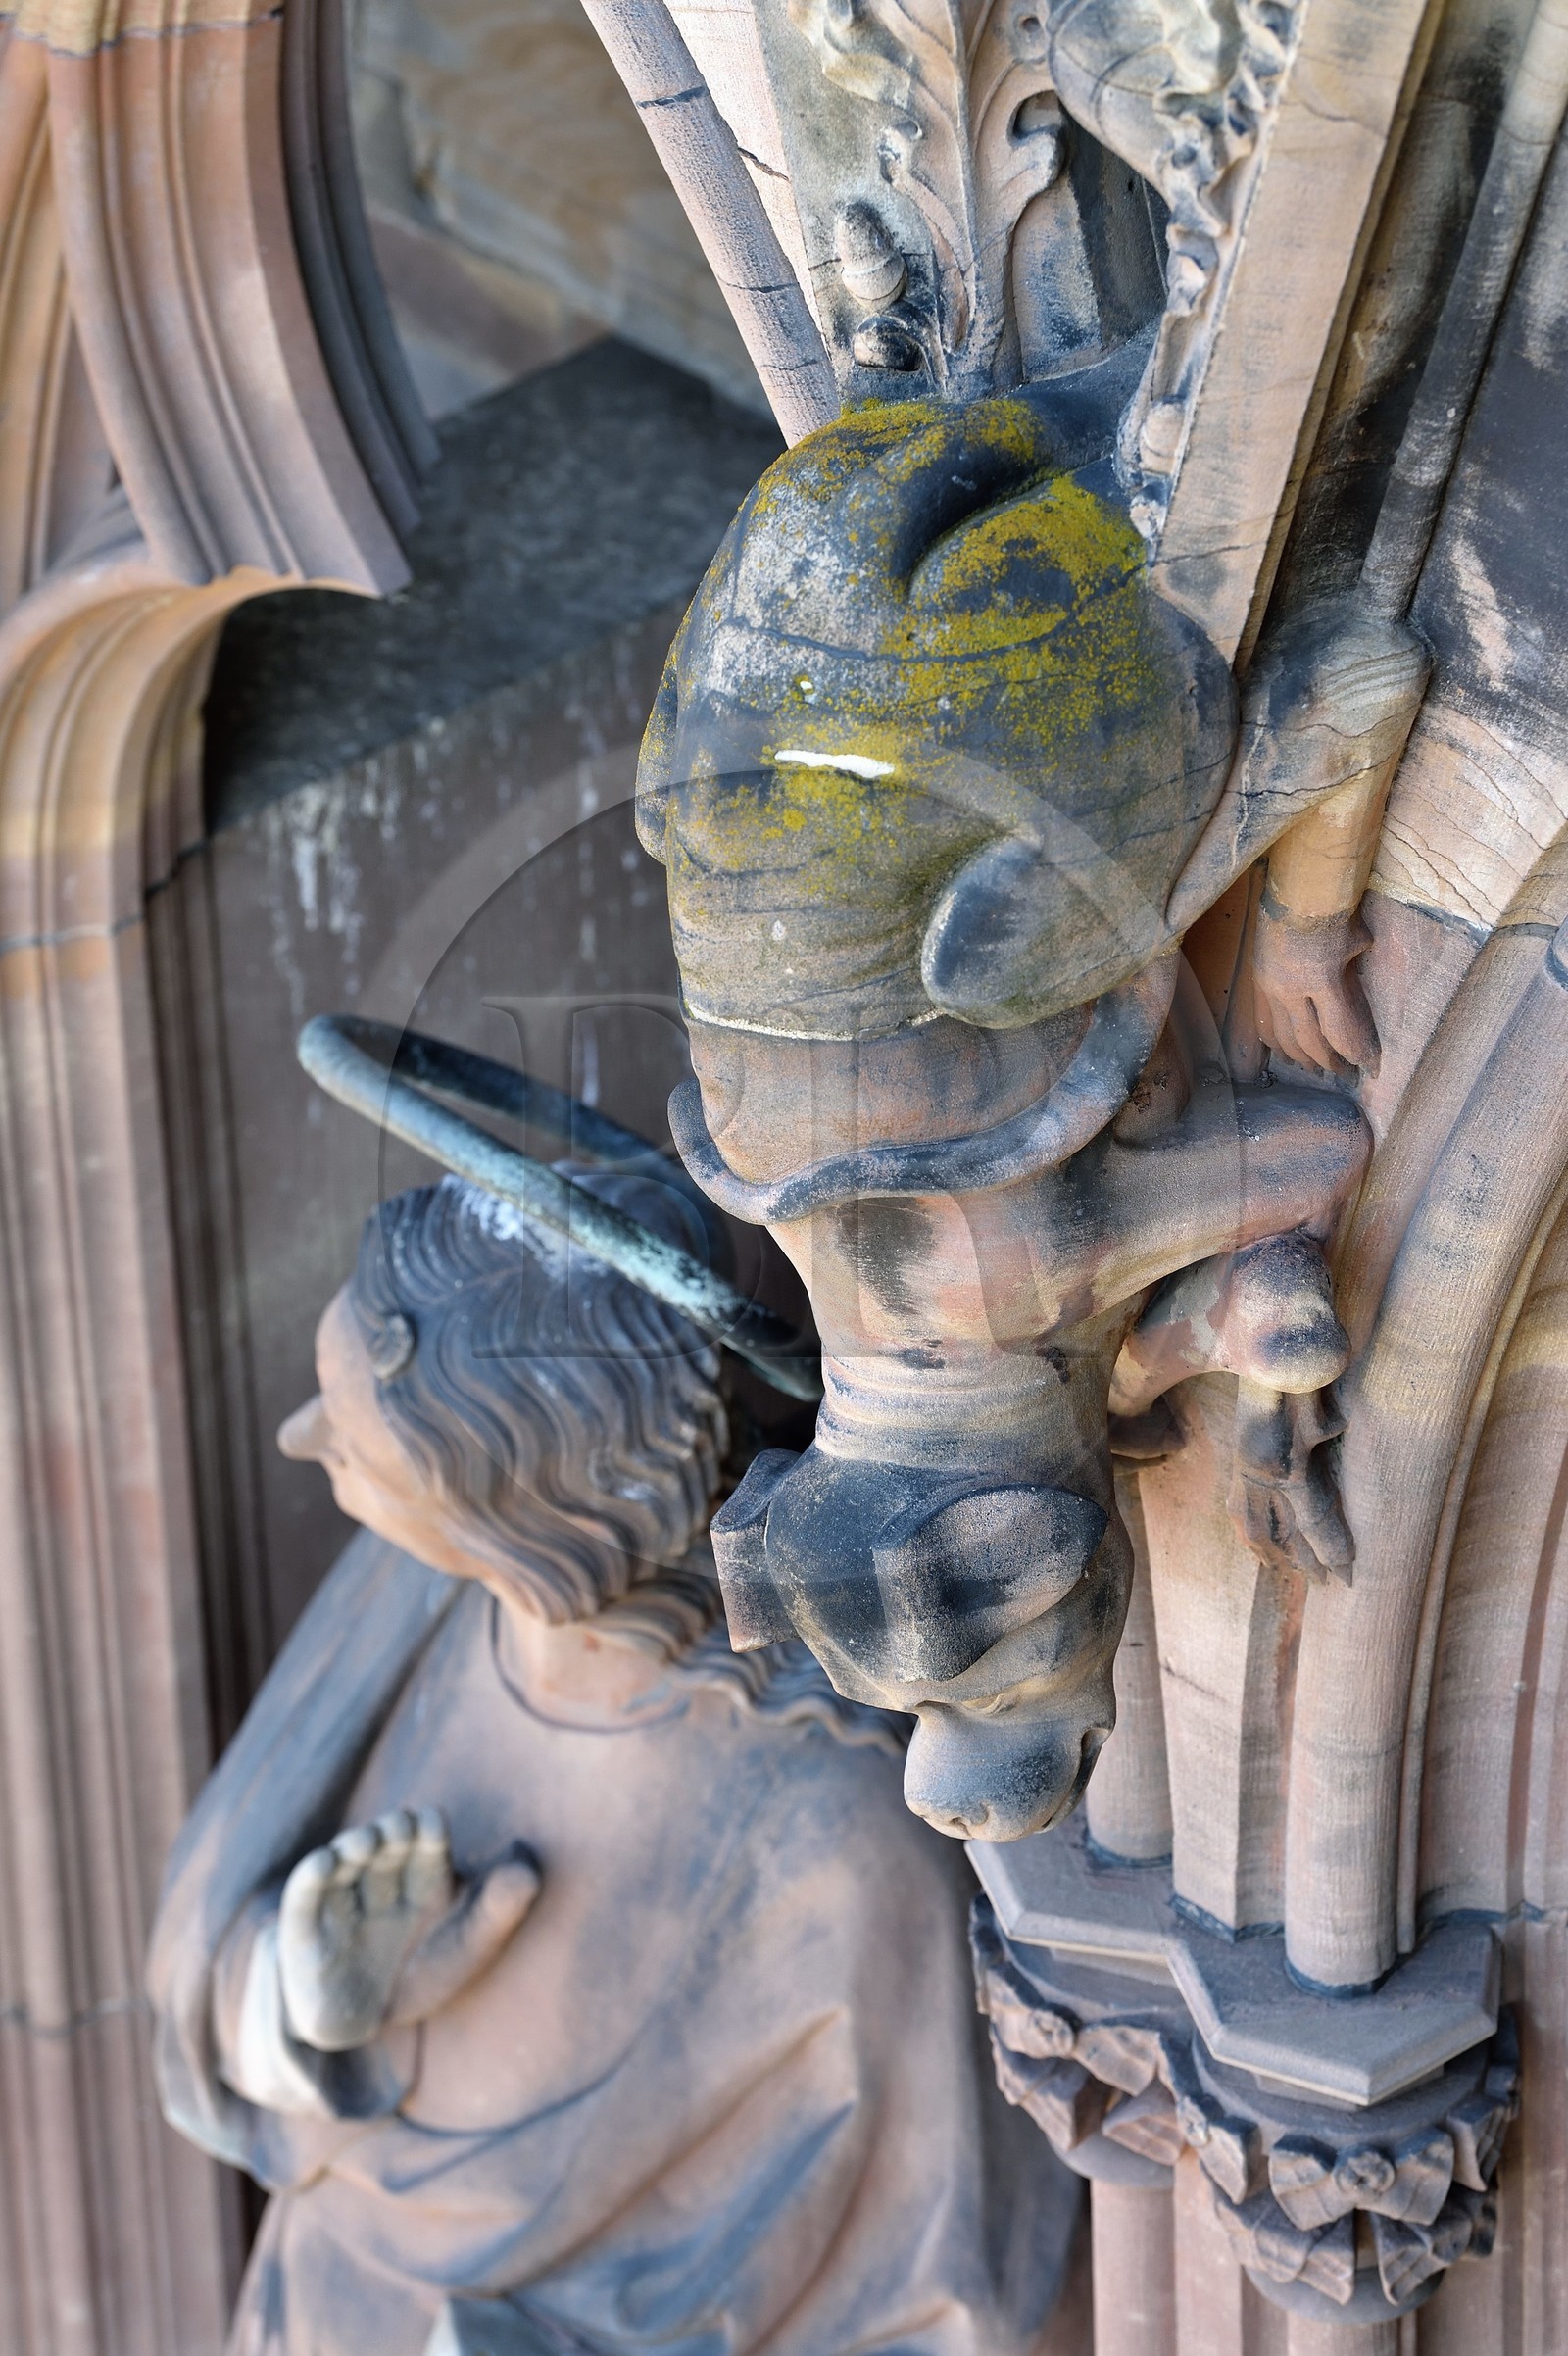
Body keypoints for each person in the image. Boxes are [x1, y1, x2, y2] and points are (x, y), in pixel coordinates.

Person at [149, 1171, 1078, 2356]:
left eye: (357, 1452)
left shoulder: (831, 1842)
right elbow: (200, 1958)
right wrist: (299, 2000)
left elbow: (943, 2307)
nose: (304, 1439)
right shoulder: (417, 1596)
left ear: (503, 1506)